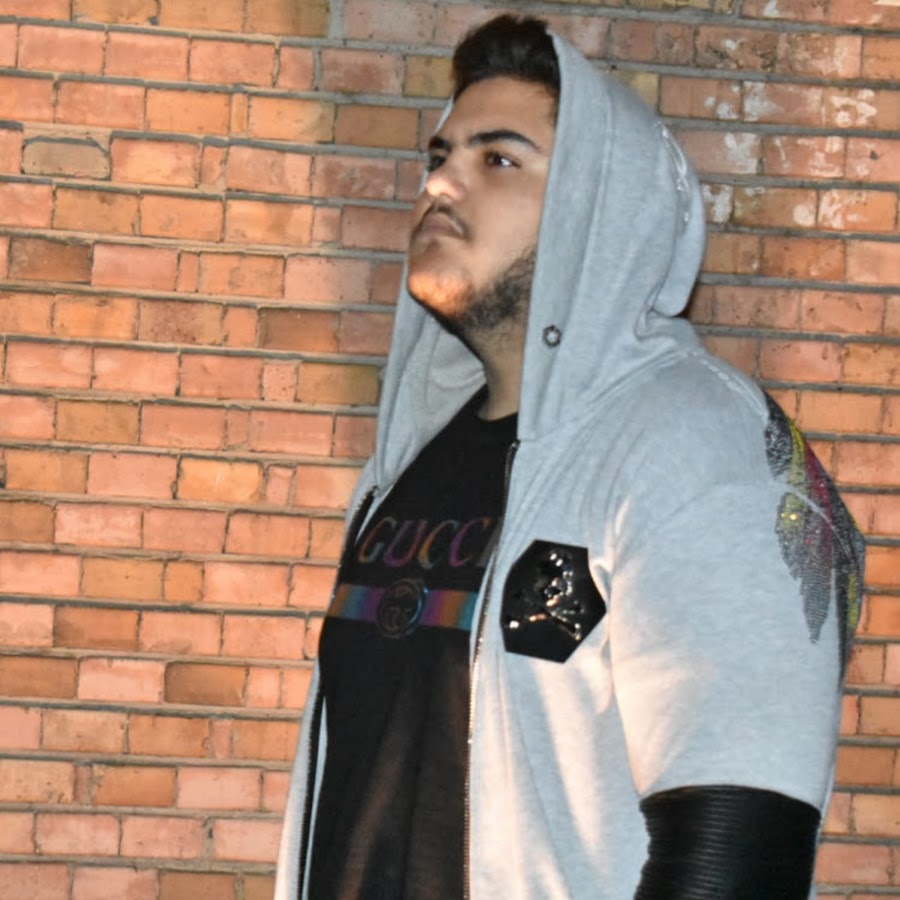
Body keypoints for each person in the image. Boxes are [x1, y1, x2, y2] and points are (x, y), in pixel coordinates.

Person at [275, 14, 865, 899]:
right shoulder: (410, 469)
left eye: (498, 159)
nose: (440, 182)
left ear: (604, 207)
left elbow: (735, 858)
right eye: (441, 155)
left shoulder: (700, 446)